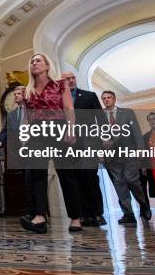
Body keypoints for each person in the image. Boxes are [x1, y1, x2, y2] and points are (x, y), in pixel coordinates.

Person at [22, 54, 77, 233]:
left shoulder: (60, 84)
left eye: (38, 60)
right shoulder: (27, 91)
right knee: (37, 174)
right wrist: (25, 138)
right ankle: (40, 217)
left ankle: (75, 217)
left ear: (47, 65)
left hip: (58, 128)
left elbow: (69, 107)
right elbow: (26, 118)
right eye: (32, 61)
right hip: (37, 133)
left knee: (66, 173)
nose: (34, 63)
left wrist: (71, 129)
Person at [60, 72, 108, 227]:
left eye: (72, 77)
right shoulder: (58, 99)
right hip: (70, 145)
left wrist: (104, 139)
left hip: (89, 143)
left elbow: (100, 119)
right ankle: (84, 214)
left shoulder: (89, 96)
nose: (70, 80)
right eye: (67, 79)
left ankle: (98, 213)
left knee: (90, 177)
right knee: (76, 179)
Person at [101, 90, 151, 225]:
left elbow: (136, 132)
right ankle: (128, 213)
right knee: (119, 184)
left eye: (109, 97)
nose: (106, 100)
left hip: (129, 152)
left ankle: (143, 204)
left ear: (114, 99)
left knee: (131, 180)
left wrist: (141, 150)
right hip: (111, 156)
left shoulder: (127, 112)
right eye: (104, 98)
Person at [0, 85, 26, 150]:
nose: (16, 95)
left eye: (19, 93)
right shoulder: (11, 114)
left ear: (25, 95)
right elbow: (5, 130)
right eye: (15, 94)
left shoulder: (32, 110)